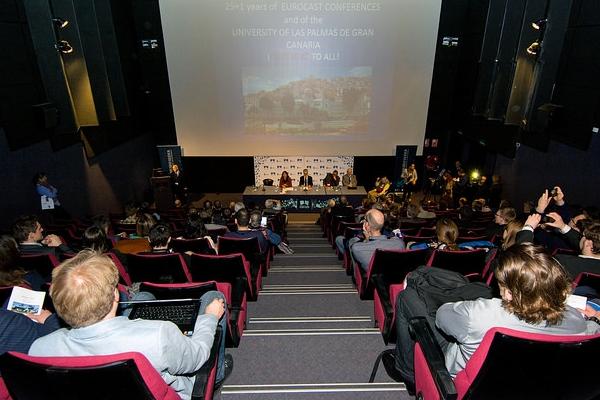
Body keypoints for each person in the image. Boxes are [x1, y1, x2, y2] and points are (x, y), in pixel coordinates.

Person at [385, 243, 599, 391]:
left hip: (461, 381)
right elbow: (593, 328)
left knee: (407, 298)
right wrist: (594, 318)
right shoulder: (575, 320)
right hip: (529, 384)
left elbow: (441, 317)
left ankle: (407, 372)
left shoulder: (480, 313)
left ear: (508, 293)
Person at [28, 250, 233, 399]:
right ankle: (218, 375)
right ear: (116, 294)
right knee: (213, 296)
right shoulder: (159, 334)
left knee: (143, 296)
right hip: (177, 390)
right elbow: (198, 356)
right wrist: (210, 318)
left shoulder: (39, 349)